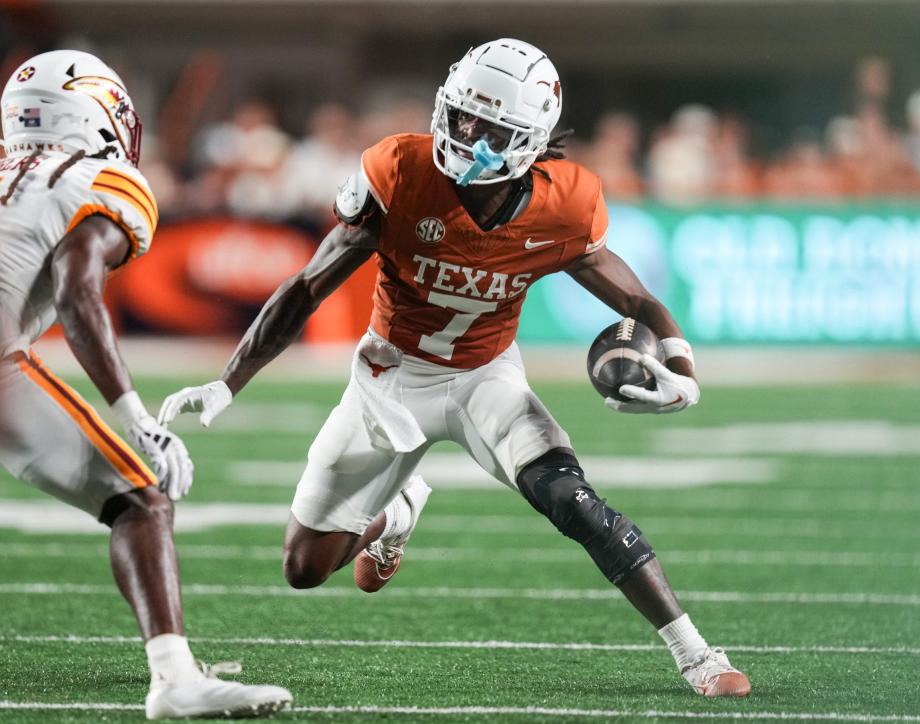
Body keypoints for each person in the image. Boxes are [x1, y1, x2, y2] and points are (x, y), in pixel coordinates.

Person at [160, 38, 751, 698]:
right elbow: (307, 287)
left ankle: (696, 652)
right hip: (387, 378)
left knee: (573, 502)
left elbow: (636, 299)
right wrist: (228, 380)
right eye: (461, 114)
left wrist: (679, 365)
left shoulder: (564, 203)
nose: (466, 133)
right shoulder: (400, 170)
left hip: (484, 377)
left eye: (489, 125)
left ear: (529, 139)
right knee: (303, 568)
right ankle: (395, 513)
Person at [0, 50, 292, 719]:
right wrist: (135, 413)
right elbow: (78, 296)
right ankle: (173, 679)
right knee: (142, 499)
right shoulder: (98, 176)